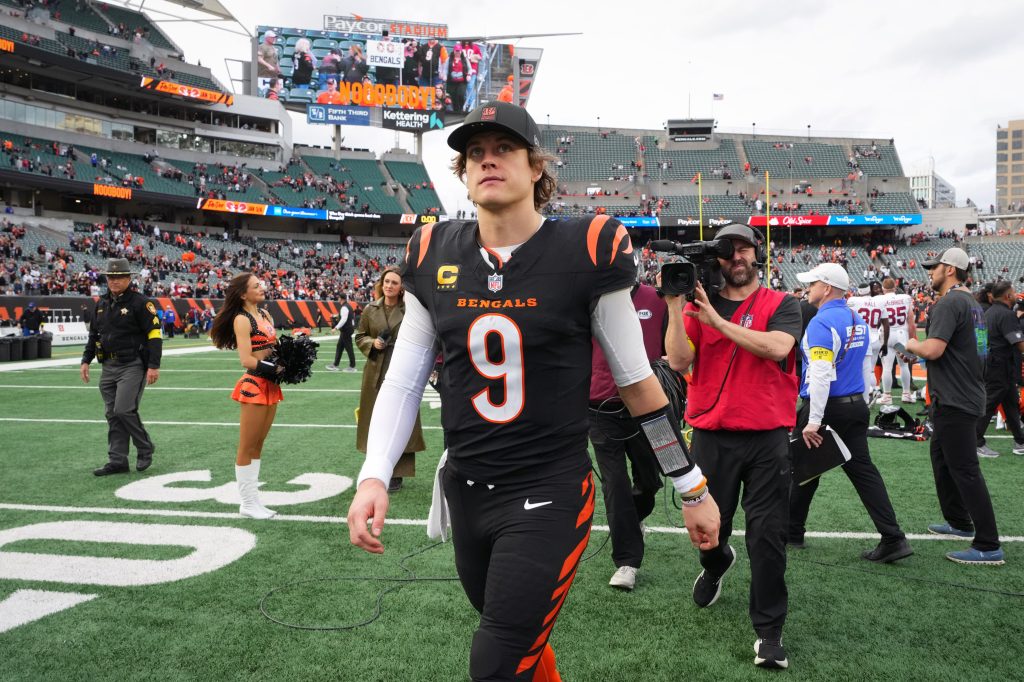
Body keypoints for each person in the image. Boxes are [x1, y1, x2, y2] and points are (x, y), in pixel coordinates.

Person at [347, 102, 719, 682]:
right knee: (519, 642)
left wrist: (691, 487)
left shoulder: (586, 247)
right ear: (463, 172)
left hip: (547, 491)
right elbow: (405, 375)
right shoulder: (433, 249)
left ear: (536, 167)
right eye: (475, 153)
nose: (487, 160)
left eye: (504, 149)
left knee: (496, 660)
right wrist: (374, 474)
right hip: (466, 487)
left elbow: (639, 385)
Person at [668, 222, 800, 669]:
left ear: (756, 255)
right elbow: (679, 361)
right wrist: (674, 306)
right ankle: (717, 562)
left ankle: (769, 631)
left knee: (767, 536)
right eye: (727, 250)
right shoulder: (698, 306)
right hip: (711, 437)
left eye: (744, 249)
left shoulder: (782, 303)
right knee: (708, 532)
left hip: (766, 439)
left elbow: (777, 348)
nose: (736, 257)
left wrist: (718, 321)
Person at [789, 263, 912, 563]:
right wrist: (866, 395)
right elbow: (866, 360)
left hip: (828, 407)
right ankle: (893, 536)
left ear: (827, 288)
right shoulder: (855, 318)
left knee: (800, 470)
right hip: (855, 404)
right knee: (862, 472)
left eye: (814, 283)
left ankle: (790, 531)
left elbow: (819, 374)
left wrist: (814, 420)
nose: (808, 288)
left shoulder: (821, 322)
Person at [905, 248, 1004, 565]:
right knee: (943, 458)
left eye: (934, 268)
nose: (929, 273)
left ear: (949, 269)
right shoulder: (972, 303)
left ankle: (988, 544)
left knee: (965, 469)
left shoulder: (950, 302)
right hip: (964, 393)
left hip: (956, 398)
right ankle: (959, 521)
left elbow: (933, 349)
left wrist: (908, 343)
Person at [589, 269, 670, 591]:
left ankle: (633, 520)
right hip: (599, 406)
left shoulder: (656, 300)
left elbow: (672, 351)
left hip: (648, 407)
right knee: (614, 484)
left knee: (650, 481)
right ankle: (627, 560)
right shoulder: (589, 299)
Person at [209, 273, 282, 519]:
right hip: (254, 385)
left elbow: (274, 347)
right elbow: (246, 359)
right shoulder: (242, 319)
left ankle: (254, 501)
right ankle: (247, 503)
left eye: (260, 284)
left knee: (259, 444)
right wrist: (273, 368)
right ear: (243, 293)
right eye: (256, 286)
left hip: (271, 385)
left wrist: (289, 358)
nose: (261, 288)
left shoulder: (265, 315)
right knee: (247, 445)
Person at [80, 258, 161, 476]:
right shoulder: (101, 303)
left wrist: (153, 365)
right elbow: (94, 335)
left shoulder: (141, 303)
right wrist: (85, 360)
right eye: (111, 277)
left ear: (128, 279)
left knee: (124, 409)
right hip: (108, 364)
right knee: (112, 414)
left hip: (132, 364)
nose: (114, 281)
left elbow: (154, 335)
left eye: (119, 277)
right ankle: (117, 460)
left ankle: (145, 447)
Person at [354, 267, 425, 493]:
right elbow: (359, 336)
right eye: (386, 282)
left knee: (401, 416)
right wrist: (371, 344)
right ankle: (374, 466)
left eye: (394, 282)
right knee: (372, 417)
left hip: (401, 365)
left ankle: (398, 472)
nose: (389, 286)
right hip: (375, 368)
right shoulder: (370, 309)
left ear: (401, 287)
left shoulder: (411, 310)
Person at [975, 281, 1024, 457]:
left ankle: (1020, 441)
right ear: (1007, 296)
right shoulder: (1006, 314)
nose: (1016, 294)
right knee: (989, 404)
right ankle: (976, 441)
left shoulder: (988, 313)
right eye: (1013, 292)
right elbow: (1019, 344)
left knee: (1011, 403)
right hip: (1000, 365)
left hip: (993, 363)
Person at [847, 282, 889, 403]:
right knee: (870, 370)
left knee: (858, 369)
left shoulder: (853, 300)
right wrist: (885, 343)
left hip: (859, 338)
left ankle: (866, 394)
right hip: (875, 338)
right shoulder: (880, 301)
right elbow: (886, 324)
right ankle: (875, 389)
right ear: (869, 290)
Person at [878, 277, 917, 403]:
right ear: (895, 288)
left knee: (887, 367)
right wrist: (912, 340)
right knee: (904, 365)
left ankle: (887, 396)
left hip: (886, 336)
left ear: (883, 289)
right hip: (901, 336)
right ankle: (906, 394)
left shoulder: (879, 299)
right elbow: (911, 322)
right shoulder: (905, 298)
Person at [326, 294, 357, 372]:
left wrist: (336, 328)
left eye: (338, 297)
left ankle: (352, 366)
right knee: (339, 346)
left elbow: (344, 319)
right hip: (347, 330)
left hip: (346, 330)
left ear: (341, 298)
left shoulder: (344, 307)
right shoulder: (348, 306)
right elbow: (351, 319)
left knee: (349, 348)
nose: (338, 298)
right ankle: (335, 364)